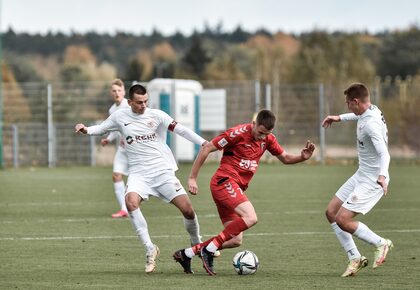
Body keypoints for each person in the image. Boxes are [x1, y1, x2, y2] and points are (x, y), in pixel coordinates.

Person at [75, 83, 205, 273]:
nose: (143, 105)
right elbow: (102, 128)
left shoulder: (157, 115)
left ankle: (197, 244)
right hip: (139, 174)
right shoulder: (120, 116)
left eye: (145, 101)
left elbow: (181, 130)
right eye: (138, 102)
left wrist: (204, 143)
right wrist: (86, 129)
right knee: (130, 203)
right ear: (130, 102)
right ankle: (150, 249)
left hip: (162, 172)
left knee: (188, 210)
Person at [173, 109, 315, 275]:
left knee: (235, 240)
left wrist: (302, 157)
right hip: (224, 182)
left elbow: (284, 158)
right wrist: (192, 178)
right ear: (254, 124)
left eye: (266, 134)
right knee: (251, 217)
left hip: (233, 188)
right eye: (260, 132)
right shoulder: (236, 133)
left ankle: (186, 254)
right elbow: (207, 148)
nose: (262, 137)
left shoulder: (268, 139)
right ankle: (209, 250)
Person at [321, 82, 393, 277]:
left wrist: (382, 176)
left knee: (343, 219)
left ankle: (381, 243)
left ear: (356, 101)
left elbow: (384, 154)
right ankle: (355, 257)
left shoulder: (371, 125)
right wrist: (339, 118)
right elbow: (357, 115)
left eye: (347, 103)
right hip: (362, 174)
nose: (347, 106)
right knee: (331, 212)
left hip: (373, 180)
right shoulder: (370, 109)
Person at [100, 79, 130, 218]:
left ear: (124, 92)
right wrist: (108, 139)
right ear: (110, 93)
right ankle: (124, 209)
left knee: (141, 179)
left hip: (136, 149)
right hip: (123, 148)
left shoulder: (129, 106)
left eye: (119, 90)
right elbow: (116, 129)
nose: (117, 93)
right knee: (116, 175)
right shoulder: (112, 109)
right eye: (114, 91)